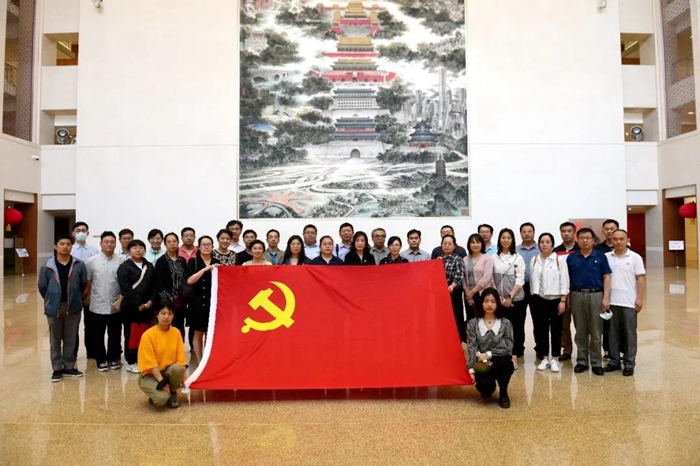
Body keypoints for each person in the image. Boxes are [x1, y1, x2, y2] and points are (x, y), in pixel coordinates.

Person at [38, 235, 88, 382]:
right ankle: (56, 368)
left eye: (68, 244)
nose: (65, 246)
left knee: (71, 337)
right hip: (54, 307)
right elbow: (42, 286)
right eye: (62, 244)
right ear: (56, 246)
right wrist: (51, 299)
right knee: (55, 338)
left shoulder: (79, 265)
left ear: (71, 247)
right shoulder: (47, 266)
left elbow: (83, 284)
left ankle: (69, 366)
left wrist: (76, 297)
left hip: (73, 306)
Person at [567, 227, 612, 376]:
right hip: (577, 295)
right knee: (580, 330)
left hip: (596, 295)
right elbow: (567, 279)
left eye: (588, 238)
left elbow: (606, 277)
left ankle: (596, 362)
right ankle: (582, 361)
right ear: (577, 240)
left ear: (593, 240)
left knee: (596, 331)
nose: (585, 240)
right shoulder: (571, 258)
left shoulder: (600, 256)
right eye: (582, 238)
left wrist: (606, 297)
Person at [605, 229, 646, 376]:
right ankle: (614, 361)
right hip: (611, 302)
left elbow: (640, 279)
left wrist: (639, 298)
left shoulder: (635, 257)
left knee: (629, 334)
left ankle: (629, 363)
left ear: (627, 240)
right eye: (615, 239)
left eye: (621, 239)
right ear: (611, 240)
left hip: (629, 302)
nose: (618, 242)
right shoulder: (606, 257)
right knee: (612, 333)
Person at [466, 287, 514, 409]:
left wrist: (488, 354)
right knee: (486, 389)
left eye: (493, 301)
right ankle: (487, 384)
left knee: (506, 364)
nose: (489, 304)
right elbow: (472, 347)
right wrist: (471, 370)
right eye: (486, 301)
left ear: (498, 303)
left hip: (499, 361)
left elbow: (508, 347)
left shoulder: (506, 323)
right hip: (483, 364)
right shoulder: (472, 324)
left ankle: (503, 392)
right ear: (481, 302)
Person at [85, 231, 125, 372]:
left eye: (112, 242)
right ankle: (100, 359)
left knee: (115, 333)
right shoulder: (92, 261)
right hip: (98, 303)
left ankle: (113, 358)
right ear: (101, 243)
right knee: (98, 334)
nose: (109, 244)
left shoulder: (121, 261)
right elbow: (88, 282)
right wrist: (89, 296)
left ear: (116, 243)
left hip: (116, 304)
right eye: (106, 242)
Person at [530, 233, 569, 373]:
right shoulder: (535, 259)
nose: (544, 244)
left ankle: (555, 358)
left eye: (547, 242)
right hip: (539, 299)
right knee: (542, 330)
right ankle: (545, 357)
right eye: (542, 242)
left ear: (552, 244)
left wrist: (563, 300)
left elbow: (564, 281)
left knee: (556, 330)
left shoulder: (559, 260)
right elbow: (533, 281)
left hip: (556, 300)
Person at [117, 239, 157, 374]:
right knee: (131, 334)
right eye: (134, 247)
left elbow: (154, 286)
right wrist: (139, 303)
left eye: (141, 247)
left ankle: (145, 359)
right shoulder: (124, 267)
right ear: (129, 250)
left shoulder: (149, 266)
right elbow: (126, 288)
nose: (138, 250)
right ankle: (132, 361)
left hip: (148, 307)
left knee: (146, 334)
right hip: (131, 308)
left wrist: (151, 301)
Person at [137, 304, 187, 409]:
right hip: (150, 375)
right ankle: (158, 394)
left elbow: (181, 360)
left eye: (170, 314)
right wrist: (162, 383)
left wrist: (184, 380)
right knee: (161, 400)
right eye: (163, 313)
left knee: (178, 368)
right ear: (157, 314)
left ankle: (172, 393)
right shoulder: (148, 335)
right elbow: (151, 364)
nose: (166, 317)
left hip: (167, 372)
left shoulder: (176, 332)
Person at [492, 228, 526, 370]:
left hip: (516, 299)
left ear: (513, 240)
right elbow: (491, 279)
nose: (506, 240)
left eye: (509, 238)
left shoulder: (518, 258)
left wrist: (510, 297)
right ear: (499, 240)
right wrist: (499, 298)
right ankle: (502, 354)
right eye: (503, 237)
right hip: (498, 300)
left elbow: (520, 279)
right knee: (500, 328)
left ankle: (514, 355)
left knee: (516, 328)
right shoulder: (494, 257)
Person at [186, 236, 220, 362]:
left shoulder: (217, 262)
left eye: (208, 244)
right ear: (198, 247)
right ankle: (200, 361)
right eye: (203, 244)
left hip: (213, 302)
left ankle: (208, 360)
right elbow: (189, 281)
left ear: (212, 247)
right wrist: (206, 269)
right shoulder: (193, 262)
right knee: (198, 332)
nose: (206, 246)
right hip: (197, 301)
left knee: (210, 333)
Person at [71, 221, 99, 360]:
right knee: (73, 325)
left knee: (91, 324)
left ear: (88, 233)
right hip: (73, 293)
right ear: (73, 233)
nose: (81, 232)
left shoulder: (94, 251)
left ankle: (92, 352)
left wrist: (90, 291)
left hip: (90, 292)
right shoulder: (69, 250)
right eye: (78, 230)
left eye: (84, 230)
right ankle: (72, 353)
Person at [155, 232, 188, 341]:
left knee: (179, 326)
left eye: (174, 241)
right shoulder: (161, 261)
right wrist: (166, 300)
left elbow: (185, 279)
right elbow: (159, 282)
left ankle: (179, 347)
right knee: (165, 326)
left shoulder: (182, 260)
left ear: (178, 242)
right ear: (165, 244)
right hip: (166, 300)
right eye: (169, 242)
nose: (172, 244)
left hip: (181, 300)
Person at [554, 221, 579, 361]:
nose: (566, 233)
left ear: (574, 233)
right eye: (563, 231)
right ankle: (567, 350)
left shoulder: (581, 249)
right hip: (561, 292)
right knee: (563, 324)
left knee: (580, 324)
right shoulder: (556, 251)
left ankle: (583, 350)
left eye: (569, 231)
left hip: (578, 291)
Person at [516, 222, 540, 357]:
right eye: (524, 232)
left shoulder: (540, 249)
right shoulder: (515, 250)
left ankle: (540, 349)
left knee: (538, 319)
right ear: (520, 234)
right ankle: (518, 348)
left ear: (534, 233)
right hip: (519, 287)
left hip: (536, 288)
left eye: (529, 231)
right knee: (519, 320)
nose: (527, 234)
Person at [439, 234, 466, 343]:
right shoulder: (438, 260)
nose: (447, 246)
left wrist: (453, 285)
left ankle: (458, 341)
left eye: (449, 244)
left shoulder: (457, 259)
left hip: (454, 291)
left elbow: (459, 275)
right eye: (444, 243)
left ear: (454, 246)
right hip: (441, 292)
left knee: (456, 316)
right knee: (442, 317)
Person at [462, 234, 494, 322]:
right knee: (471, 319)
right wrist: (467, 292)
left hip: (483, 293)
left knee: (484, 318)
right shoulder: (465, 259)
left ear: (482, 244)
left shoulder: (488, 259)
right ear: (469, 244)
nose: (475, 245)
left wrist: (472, 292)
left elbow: (487, 276)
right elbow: (463, 277)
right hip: (468, 295)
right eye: (472, 242)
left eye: (478, 242)